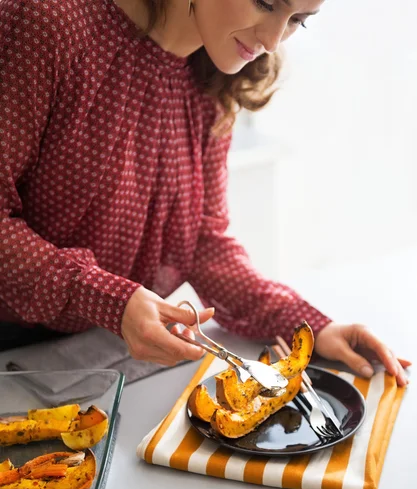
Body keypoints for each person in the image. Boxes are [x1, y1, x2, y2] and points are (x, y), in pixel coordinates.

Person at [0, 0, 410, 385]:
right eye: (266, 3)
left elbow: (201, 240)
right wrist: (107, 298)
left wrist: (309, 326)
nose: (272, 40)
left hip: (98, 357)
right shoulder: (47, 25)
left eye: (298, 19)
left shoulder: (213, 70)